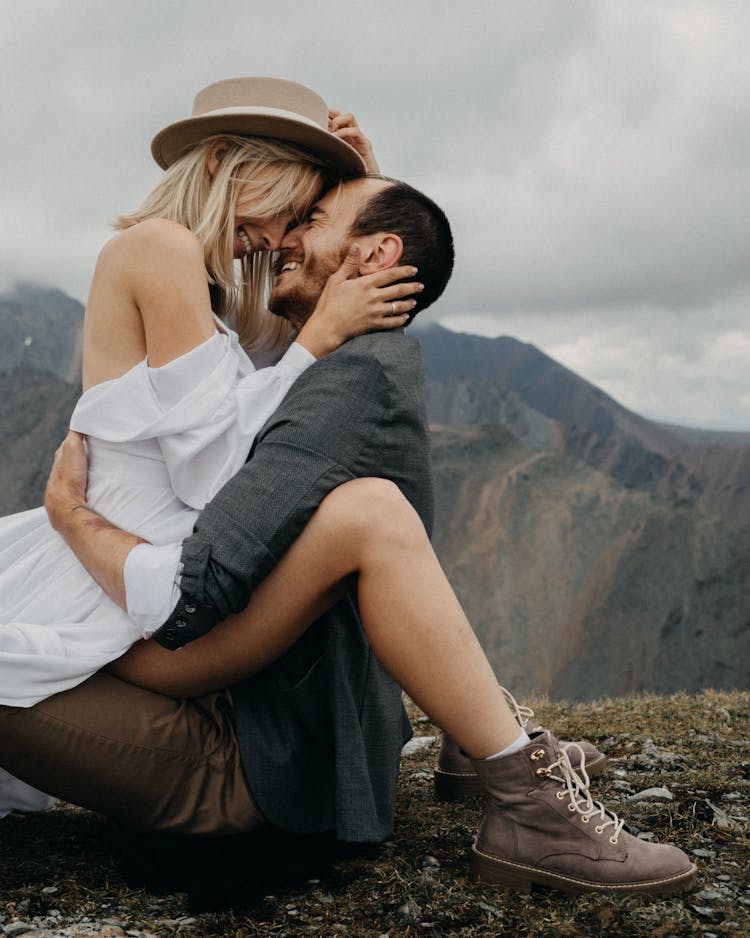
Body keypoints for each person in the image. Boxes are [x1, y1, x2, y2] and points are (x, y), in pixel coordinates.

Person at [0, 172, 697, 896]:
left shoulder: (340, 375)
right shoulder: (339, 359)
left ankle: (524, 793)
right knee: (370, 505)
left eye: (314, 217)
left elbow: (188, 594)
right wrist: (359, 183)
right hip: (235, 700)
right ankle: (487, 741)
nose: (286, 239)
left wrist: (73, 517)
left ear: (373, 255)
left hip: (240, 762)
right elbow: (264, 383)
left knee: (370, 510)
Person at [0, 79, 418, 807]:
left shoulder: (205, 286)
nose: (282, 237)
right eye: (285, 207)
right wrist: (316, 340)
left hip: (142, 562)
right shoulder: (158, 248)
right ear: (223, 160)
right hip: (124, 573)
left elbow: (325, 320)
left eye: (301, 218)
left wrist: (365, 186)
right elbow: (210, 475)